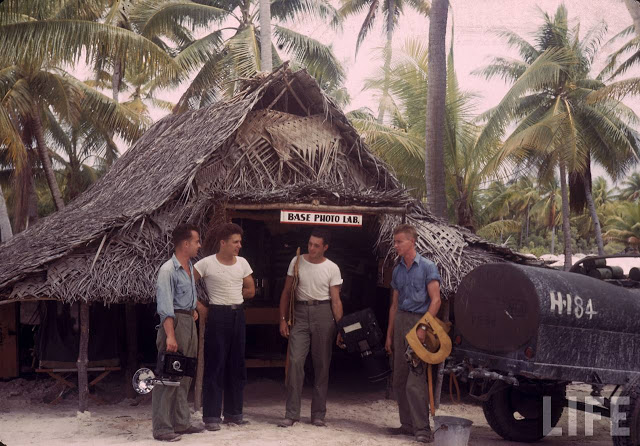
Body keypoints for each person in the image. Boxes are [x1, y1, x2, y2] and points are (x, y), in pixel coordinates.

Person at [277, 228, 344, 428]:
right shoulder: (296, 261)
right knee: (295, 362)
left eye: (316, 245)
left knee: (322, 363)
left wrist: (340, 327)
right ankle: (291, 413)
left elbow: (336, 300)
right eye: (310, 244)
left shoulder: (332, 268)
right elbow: (286, 292)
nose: (312, 248)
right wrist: (283, 319)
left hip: (323, 312)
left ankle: (318, 414)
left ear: (325, 247)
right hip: (299, 312)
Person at [195, 223, 255, 431]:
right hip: (217, 314)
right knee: (215, 364)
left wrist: (234, 294)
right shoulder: (206, 263)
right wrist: (200, 306)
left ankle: (233, 413)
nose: (239, 245)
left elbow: (250, 290)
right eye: (235, 242)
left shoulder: (243, 263)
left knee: (237, 364)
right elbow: (185, 283)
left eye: (240, 242)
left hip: (237, 314)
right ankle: (211, 416)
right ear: (223, 243)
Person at [385, 224, 442, 444]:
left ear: (412, 242)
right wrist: (389, 335)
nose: (396, 245)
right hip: (401, 320)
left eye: (399, 241)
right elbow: (394, 305)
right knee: (399, 378)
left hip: (420, 322)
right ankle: (407, 425)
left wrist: (423, 327)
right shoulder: (397, 270)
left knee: (415, 379)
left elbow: (436, 301)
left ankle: (422, 429)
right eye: (395, 241)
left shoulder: (428, 267)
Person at [153, 223, 206, 442]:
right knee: (168, 377)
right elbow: (165, 306)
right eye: (196, 241)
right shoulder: (168, 270)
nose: (199, 245)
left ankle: (181, 422)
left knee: (185, 375)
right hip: (174, 325)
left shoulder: (189, 267)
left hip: (188, 323)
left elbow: (183, 299)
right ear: (185, 244)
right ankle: (162, 428)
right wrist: (171, 335)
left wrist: (191, 311)